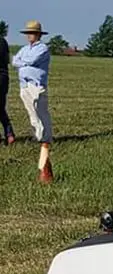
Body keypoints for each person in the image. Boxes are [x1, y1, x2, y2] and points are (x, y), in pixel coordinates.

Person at [11, 20, 52, 182]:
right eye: (28, 33)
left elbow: (30, 61)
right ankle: (38, 136)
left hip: (36, 85)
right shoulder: (24, 49)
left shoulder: (43, 48)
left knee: (40, 111)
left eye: (33, 33)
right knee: (31, 113)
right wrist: (21, 62)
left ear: (39, 34)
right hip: (24, 85)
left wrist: (21, 62)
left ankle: (46, 138)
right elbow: (14, 61)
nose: (30, 35)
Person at [0, 24, 14, 145]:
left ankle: (8, 133)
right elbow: (7, 61)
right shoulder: (3, 41)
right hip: (3, 77)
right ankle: (9, 133)